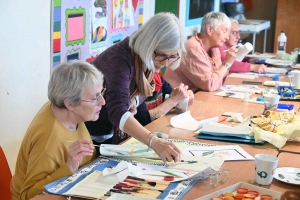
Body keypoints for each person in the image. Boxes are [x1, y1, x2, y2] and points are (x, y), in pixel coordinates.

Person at [85, 12, 187, 162]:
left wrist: (135, 101)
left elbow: (143, 89)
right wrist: (154, 142)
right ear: (150, 44)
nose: (166, 63)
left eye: (172, 56)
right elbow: (117, 112)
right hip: (93, 134)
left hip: (110, 131)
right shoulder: (119, 60)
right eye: (163, 55)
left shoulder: (146, 56)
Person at [11, 61, 105, 199]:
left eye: (101, 93)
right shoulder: (49, 140)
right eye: (95, 98)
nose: (102, 101)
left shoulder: (64, 111)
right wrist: (69, 167)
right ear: (70, 104)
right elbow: (27, 196)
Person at [164, 12, 237, 92]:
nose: (227, 37)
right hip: (176, 100)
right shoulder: (192, 48)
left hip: (196, 97)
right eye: (224, 31)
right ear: (210, 29)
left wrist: (225, 66)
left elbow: (220, 78)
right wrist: (227, 63)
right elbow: (211, 85)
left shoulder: (214, 48)